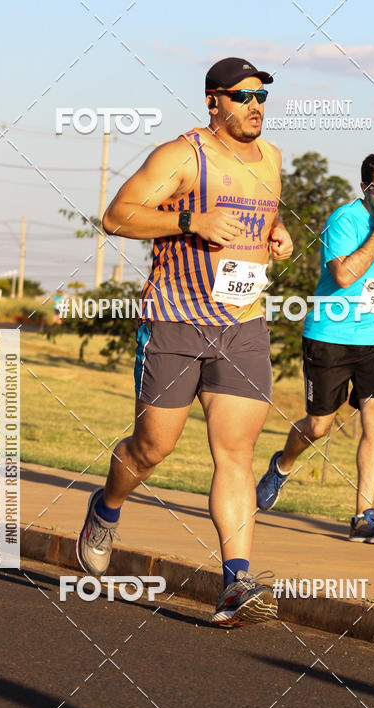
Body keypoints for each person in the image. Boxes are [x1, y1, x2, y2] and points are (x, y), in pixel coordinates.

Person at [76, 57, 293, 626]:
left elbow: (260, 218)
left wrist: (276, 234)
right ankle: (107, 505)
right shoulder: (181, 155)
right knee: (152, 447)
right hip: (174, 321)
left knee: (237, 454)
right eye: (243, 96)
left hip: (241, 325)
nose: (256, 107)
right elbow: (117, 217)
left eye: (262, 96)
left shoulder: (271, 159)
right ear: (213, 101)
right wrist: (188, 222)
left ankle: (235, 582)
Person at [256, 150, 374, 543]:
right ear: (365, 188)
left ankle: (363, 516)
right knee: (319, 425)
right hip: (330, 337)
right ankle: (281, 466)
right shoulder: (345, 220)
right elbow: (342, 275)